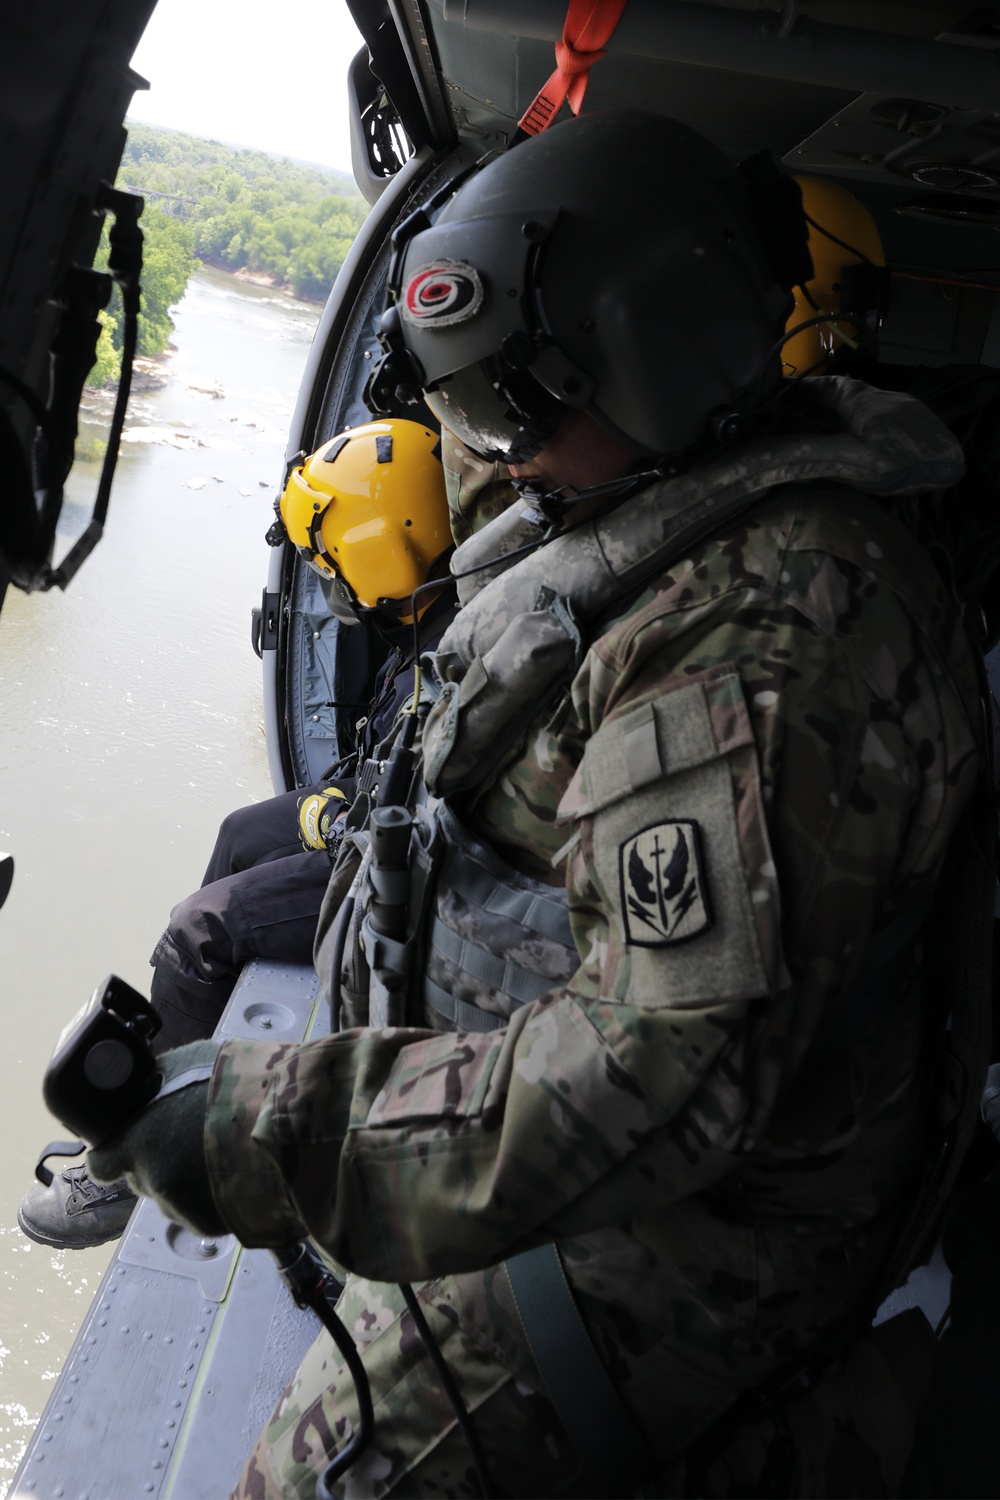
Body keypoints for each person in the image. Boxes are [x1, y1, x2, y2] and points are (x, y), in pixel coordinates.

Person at [84, 112, 991, 1497]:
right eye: (468, 409)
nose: (496, 458)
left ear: (655, 350)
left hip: (658, 1265)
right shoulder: (686, 517)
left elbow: (650, 1082)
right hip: (566, 1172)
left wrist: (276, 1131)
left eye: (514, 405)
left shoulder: (764, 633)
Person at [18, 416, 460, 1251]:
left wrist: (326, 816)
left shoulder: (444, 656)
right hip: (368, 821)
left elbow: (397, 816)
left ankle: (124, 1164)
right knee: (239, 831)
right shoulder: (422, 620)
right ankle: (170, 1050)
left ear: (379, 551)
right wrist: (318, 810)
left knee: (200, 930)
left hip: (402, 871)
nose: (326, 578)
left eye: (333, 559)